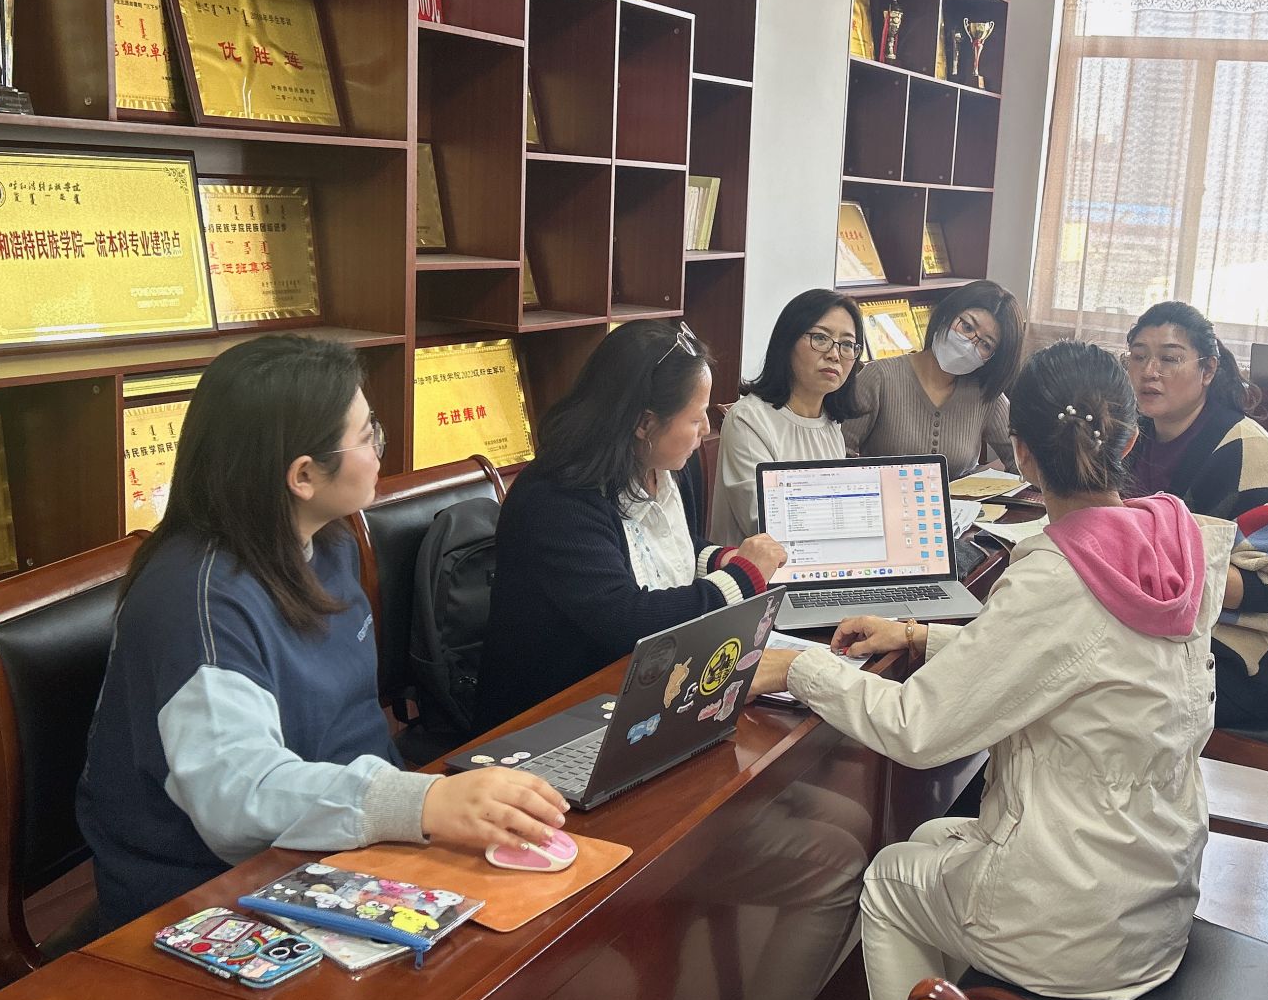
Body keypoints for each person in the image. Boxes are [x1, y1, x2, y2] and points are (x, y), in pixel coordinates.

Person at [754, 340, 1258, 1000]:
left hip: (1081, 923)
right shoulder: (1172, 545)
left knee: (889, 881)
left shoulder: (1058, 577)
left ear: (1021, 454)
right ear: (1129, 440)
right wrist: (920, 635)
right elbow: (1070, 660)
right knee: (932, 838)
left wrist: (801, 667)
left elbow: (918, 729)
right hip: (1152, 887)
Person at [77, 336, 569, 928]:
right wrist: (421, 803)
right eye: (366, 435)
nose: (379, 448)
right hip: (214, 893)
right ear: (304, 475)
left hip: (345, 845)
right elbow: (239, 797)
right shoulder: (198, 601)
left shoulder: (325, 540)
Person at [480, 320, 787, 727]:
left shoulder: (670, 465)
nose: (706, 430)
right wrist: (742, 578)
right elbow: (629, 623)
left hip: (642, 689)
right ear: (644, 424)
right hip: (555, 712)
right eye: (696, 418)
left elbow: (668, 545)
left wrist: (718, 560)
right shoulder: (556, 501)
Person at [1121, 301, 1268, 726]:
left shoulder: (1243, 447)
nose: (1149, 371)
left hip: (1250, 653)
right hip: (1188, 626)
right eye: (1138, 356)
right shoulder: (1140, 436)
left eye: (1169, 359)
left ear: (1208, 370)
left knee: (1085, 676)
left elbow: (1265, 587)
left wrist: (1139, 562)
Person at [710, 289, 865, 547]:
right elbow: (764, 525)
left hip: (822, 561)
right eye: (820, 338)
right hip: (757, 570)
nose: (834, 354)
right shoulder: (749, 420)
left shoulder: (830, 423)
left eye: (847, 344)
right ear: (787, 341)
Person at [842, 280, 1023, 476]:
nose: (969, 343)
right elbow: (839, 455)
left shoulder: (986, 395)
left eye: (986, 345)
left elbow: (1024, 459)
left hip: (959, 497)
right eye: (967, 327)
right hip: (883, 495)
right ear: (947, 314)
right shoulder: (879, 377)